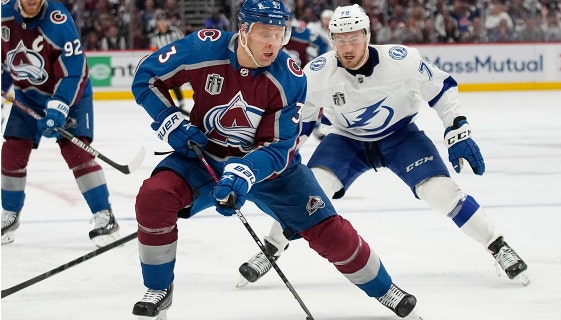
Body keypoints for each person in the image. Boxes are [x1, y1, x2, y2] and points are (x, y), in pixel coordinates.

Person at [129, 0, 423, 319]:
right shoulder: (203, 48)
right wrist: (168, 118)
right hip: (204, 156)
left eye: (279, 34)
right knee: (154, 197)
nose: (274, 43)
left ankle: (385, 289)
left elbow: (279, 145)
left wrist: (245, 172)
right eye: (265, 33)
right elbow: (146, 77)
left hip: (271, 170)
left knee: (329, 230)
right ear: (244, 31)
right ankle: (159, 288)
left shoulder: (289, 77)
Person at [236, 4, 529, 288]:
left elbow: (441, 87)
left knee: (440, 192)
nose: (347, 48)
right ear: (332, 39)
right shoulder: (316, 73)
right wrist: (280, 153)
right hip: (346, 140)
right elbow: (303, 121)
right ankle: (271, 249)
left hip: (401, 137)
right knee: (312, 193)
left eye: (354, 38)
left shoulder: (403, 60)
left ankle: (498, 246)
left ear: (367, 35)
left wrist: (458, 129)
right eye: (340, 40)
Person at [1, 0, 120, 247]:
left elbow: (74, 71)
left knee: (76, 152)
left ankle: (104, 215)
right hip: (28, 95)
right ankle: (9, 215)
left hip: (71, 95)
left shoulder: (59, 21)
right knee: (12, 151)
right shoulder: (3, 16)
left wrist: (60, 104)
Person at [149, 10, 187, 114]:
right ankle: (180, 103)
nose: (162, 24)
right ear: (157, 24)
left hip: (181, 61)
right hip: (167, 65)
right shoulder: (155, 38)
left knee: (193, 78)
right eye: (160, 22)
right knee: (173, 82)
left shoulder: (175, 32)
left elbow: (184, 43)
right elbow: (154, 54)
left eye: (164, 21)